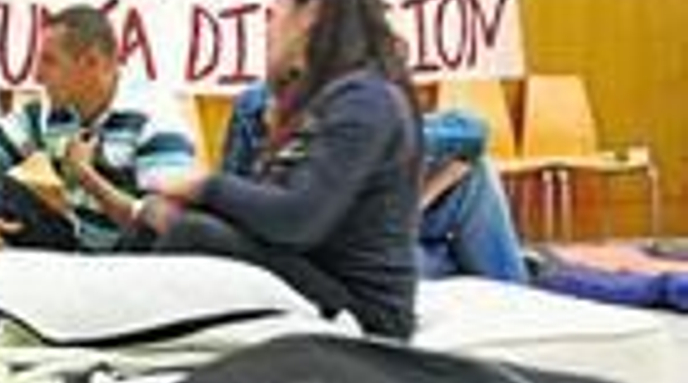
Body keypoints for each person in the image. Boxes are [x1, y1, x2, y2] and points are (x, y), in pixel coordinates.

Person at [144, 0, 424, 340]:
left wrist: (204, 186)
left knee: (192, 233)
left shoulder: (366, 99)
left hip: (365, 312)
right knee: (161, 218)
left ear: (310, 14)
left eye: (275, 15)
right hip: (319, 273)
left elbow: (297, 220)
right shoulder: (328, 96)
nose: (269, 29)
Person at [0, 4, 196, 253]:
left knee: (148, 231)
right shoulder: (50, 111)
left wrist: (87, 177)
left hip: (136, 263)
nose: (37, 76)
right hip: (78, 247)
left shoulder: (155, 119)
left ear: (91, 63)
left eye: (50, 61)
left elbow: (168, 225)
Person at [221, 83, 528, 284]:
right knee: (443, 259)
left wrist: (418, 201)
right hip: (330, 257)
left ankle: (511, 287)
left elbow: (472, 134)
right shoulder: (258, 106)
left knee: (476, 172)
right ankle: (505, 278)